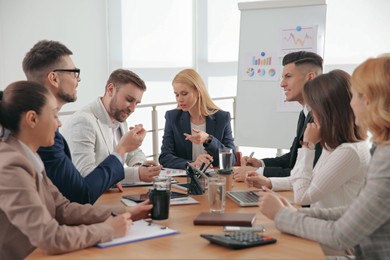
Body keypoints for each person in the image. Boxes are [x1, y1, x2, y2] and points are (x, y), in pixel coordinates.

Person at [0, 81, 152, 258]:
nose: (59, 123)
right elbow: (50, 237)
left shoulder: (27, 156)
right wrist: (108, 229)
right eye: (54, 115)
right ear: (32, 119)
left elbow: (63, 209)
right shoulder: (11, 165)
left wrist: (124, 212)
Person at [258, 55, 390, 259]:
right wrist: (294, 214)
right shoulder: (380, 149)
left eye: (354, 95)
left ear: (369, 100)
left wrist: (283, 215)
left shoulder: (382, 158)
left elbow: (340, 235)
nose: (350, 103)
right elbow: (354, 211)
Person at [22, 40, 145, 204]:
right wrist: (121, 149)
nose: (78, 79)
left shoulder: (38, 125)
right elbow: (81, 193)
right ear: (54, 78)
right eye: (74, 73)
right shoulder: (43, 133)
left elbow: (66, 195)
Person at [245, 70, 370, 209]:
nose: (312, 114)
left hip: (330, 226)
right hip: (321, 220)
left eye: (314, 108)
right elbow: (309, 180)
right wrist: (269, 183)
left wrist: (307, 146)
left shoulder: (348, 152)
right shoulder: (334, 145)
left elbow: (302, 197)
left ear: (327, 111)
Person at [234, 51, 323, 180]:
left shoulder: (321, 118)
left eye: (288, 76)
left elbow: (306, 172)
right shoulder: (305, 113)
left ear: (310, 77)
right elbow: (293, 157)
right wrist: (260, 163)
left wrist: (258, 172)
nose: (282, 83)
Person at [62, 69, 161, 183]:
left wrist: (139, 165)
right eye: (129, 100)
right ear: (110, 90)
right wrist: (136, 174)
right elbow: (86, 175)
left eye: (137, 103)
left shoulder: (119, 118)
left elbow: (132, 152)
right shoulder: (83, 122)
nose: (133, 109)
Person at [159, 68, 236, 169]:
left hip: (214, 180)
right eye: (176, 94)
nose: (179, 99)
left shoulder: (222, 118)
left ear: (198, 92)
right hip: (185, 179)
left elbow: (232, 160)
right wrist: (192, 164)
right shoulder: (172, 117)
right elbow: (164, 157)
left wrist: (208, 140)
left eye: (184, 93)